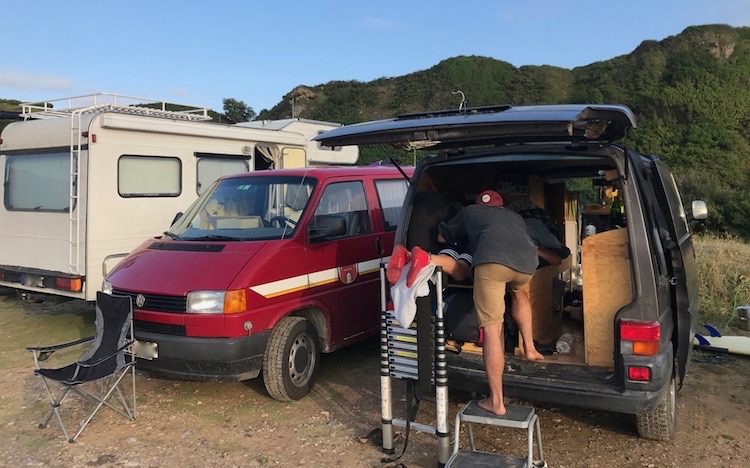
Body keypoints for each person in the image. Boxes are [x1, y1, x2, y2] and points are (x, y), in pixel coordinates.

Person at [387, 190, 544, 416]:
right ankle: (530, 348)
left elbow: (442, 237)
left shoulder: (470, 211)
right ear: (500, 206)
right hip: (526, 263)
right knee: (519, 294)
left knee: (492, 329)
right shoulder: (514, 217)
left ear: (479, 204)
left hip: (489, 259)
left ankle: (496, 402)